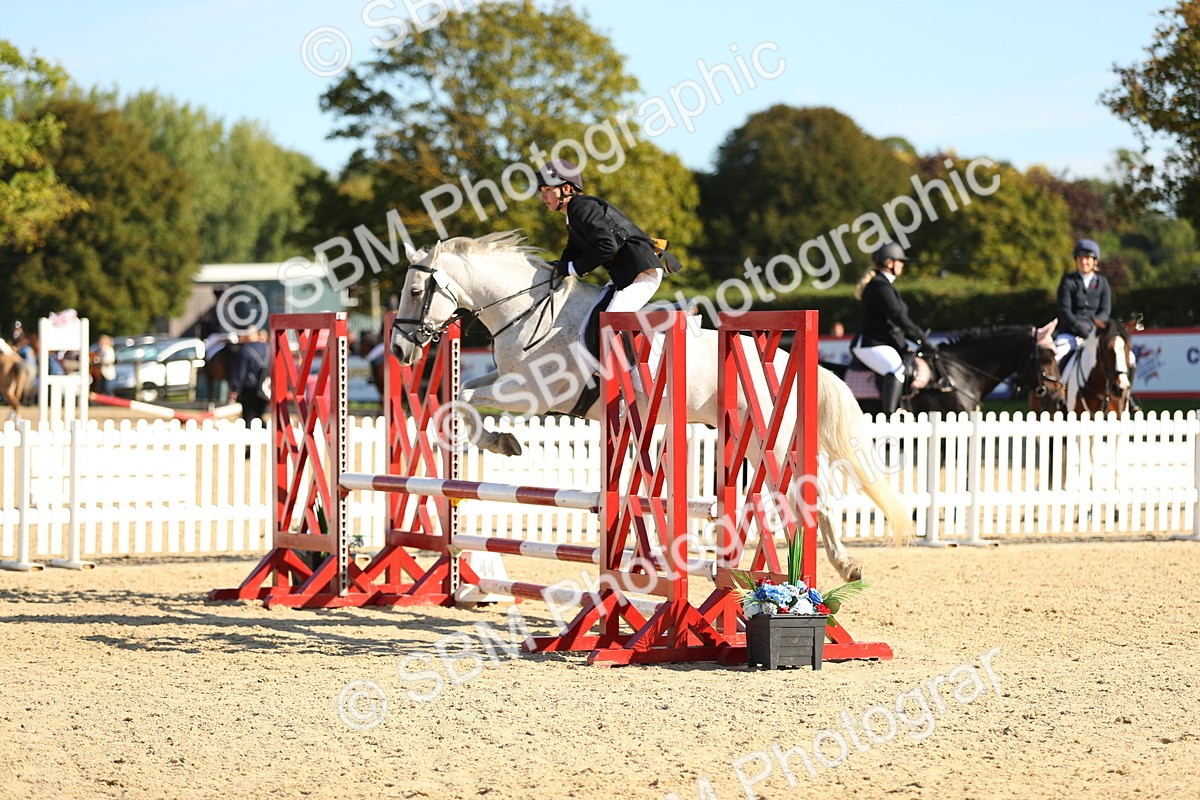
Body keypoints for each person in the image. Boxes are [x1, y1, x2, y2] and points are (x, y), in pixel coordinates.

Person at [536, 159, 664, 314]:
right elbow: (572, 252)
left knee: (609, 326)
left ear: (567, 188)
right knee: (588, 325)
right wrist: (552, 269)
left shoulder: (580, 208)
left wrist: (571, 268)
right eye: (542, 191)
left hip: (642, 273)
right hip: (627, 275)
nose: (543, 196)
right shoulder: (573, 215)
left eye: (548, 190)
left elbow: (608, 247)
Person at [851, 242, 929, 415]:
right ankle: (890, 416)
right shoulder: (880, 287)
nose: (903, 264)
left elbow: (893, 322)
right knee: (896, 369)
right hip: (870, 343)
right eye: (900, 261)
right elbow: (898, 317)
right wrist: (921, 338)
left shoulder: (885, 285)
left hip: (881, 341)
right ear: (889, 263)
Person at [1053, 238, 1111, 364]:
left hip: (1094, 332)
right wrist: (1077, 326)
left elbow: (1105, 311)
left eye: (1087, 258)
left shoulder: (1102, 283)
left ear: (1095, 261)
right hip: (1070, 334)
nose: (1083, 261)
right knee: (1056, 358)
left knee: (1121, 358)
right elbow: (1065, 310)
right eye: (1080, 258)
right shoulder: (1068, 281)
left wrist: (1093, 325)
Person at [229, 327, 269, 429]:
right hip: (267, 389)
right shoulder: (269, 348)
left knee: (249, 418)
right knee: (260, 415)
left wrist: (234, 389)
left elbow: (240, 373)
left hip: (249, 390)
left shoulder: (245, 351)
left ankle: (249, 443)